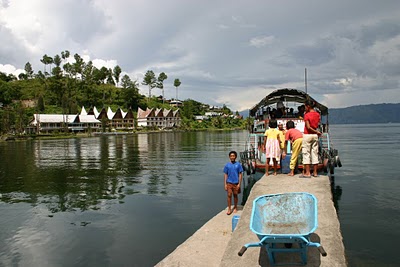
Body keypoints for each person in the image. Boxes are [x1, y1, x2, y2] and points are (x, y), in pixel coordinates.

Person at [301, 100, 321, 178]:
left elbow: (308, 127)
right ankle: (315, 172)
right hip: (315, 136)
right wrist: (317, 132)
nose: (304, 108)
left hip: (307, 135)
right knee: (315, 153)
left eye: (305, 106)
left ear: (308, 106)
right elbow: (316, 124)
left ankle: (307, 172)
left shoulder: (307, 115)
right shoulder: (317, 114)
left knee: (306, 154)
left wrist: (316, 131)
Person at [223, 151, 243, 215]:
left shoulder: (238, 165)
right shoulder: (227, 165)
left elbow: (240, 174)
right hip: (229, 182)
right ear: (229, 157)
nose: (232, 157)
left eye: (233, 156)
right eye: (231, 156)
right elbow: (225, 174)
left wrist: (239, 184)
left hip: (236, 183)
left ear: (235, 157)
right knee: (229, 195)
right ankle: (229, 208)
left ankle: (235, 207)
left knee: (235, 195)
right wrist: (225, 184)